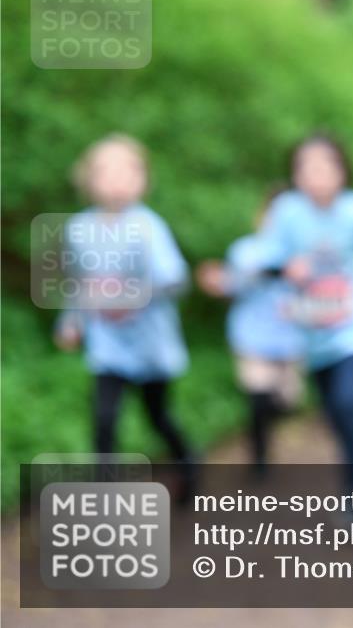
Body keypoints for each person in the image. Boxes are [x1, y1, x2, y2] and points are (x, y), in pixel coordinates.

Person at [53, 134, 194, 492]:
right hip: (108, 347)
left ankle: (189, 463)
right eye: (106, 172)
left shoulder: (149, 227)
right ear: (88, 179)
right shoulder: (79, 230)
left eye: (126, 171)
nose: (117, 180)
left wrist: (135, 294)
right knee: (104, 420)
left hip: (151, 346)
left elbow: (177, 280)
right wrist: (70, 322)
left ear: (142, 179)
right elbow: (79, 284)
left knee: (157, 416)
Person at [256, 134, 353, 499]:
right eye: (307, 166)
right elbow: (263, 257)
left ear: (343, 170)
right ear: (295, 174)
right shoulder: (286, 211)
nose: (317, 174)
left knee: (349, 401)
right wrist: (286, 266)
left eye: (325, 164)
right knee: (334, 412)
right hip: (311, 329)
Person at [196, 188, 305, 477]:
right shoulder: (246, 250)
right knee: (258, 397)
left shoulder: (302, 252)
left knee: (286, 401)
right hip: (252, 338)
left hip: (291, 340)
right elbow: (233, 283)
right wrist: (218, 282)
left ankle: (266, 439)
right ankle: (259, 459)